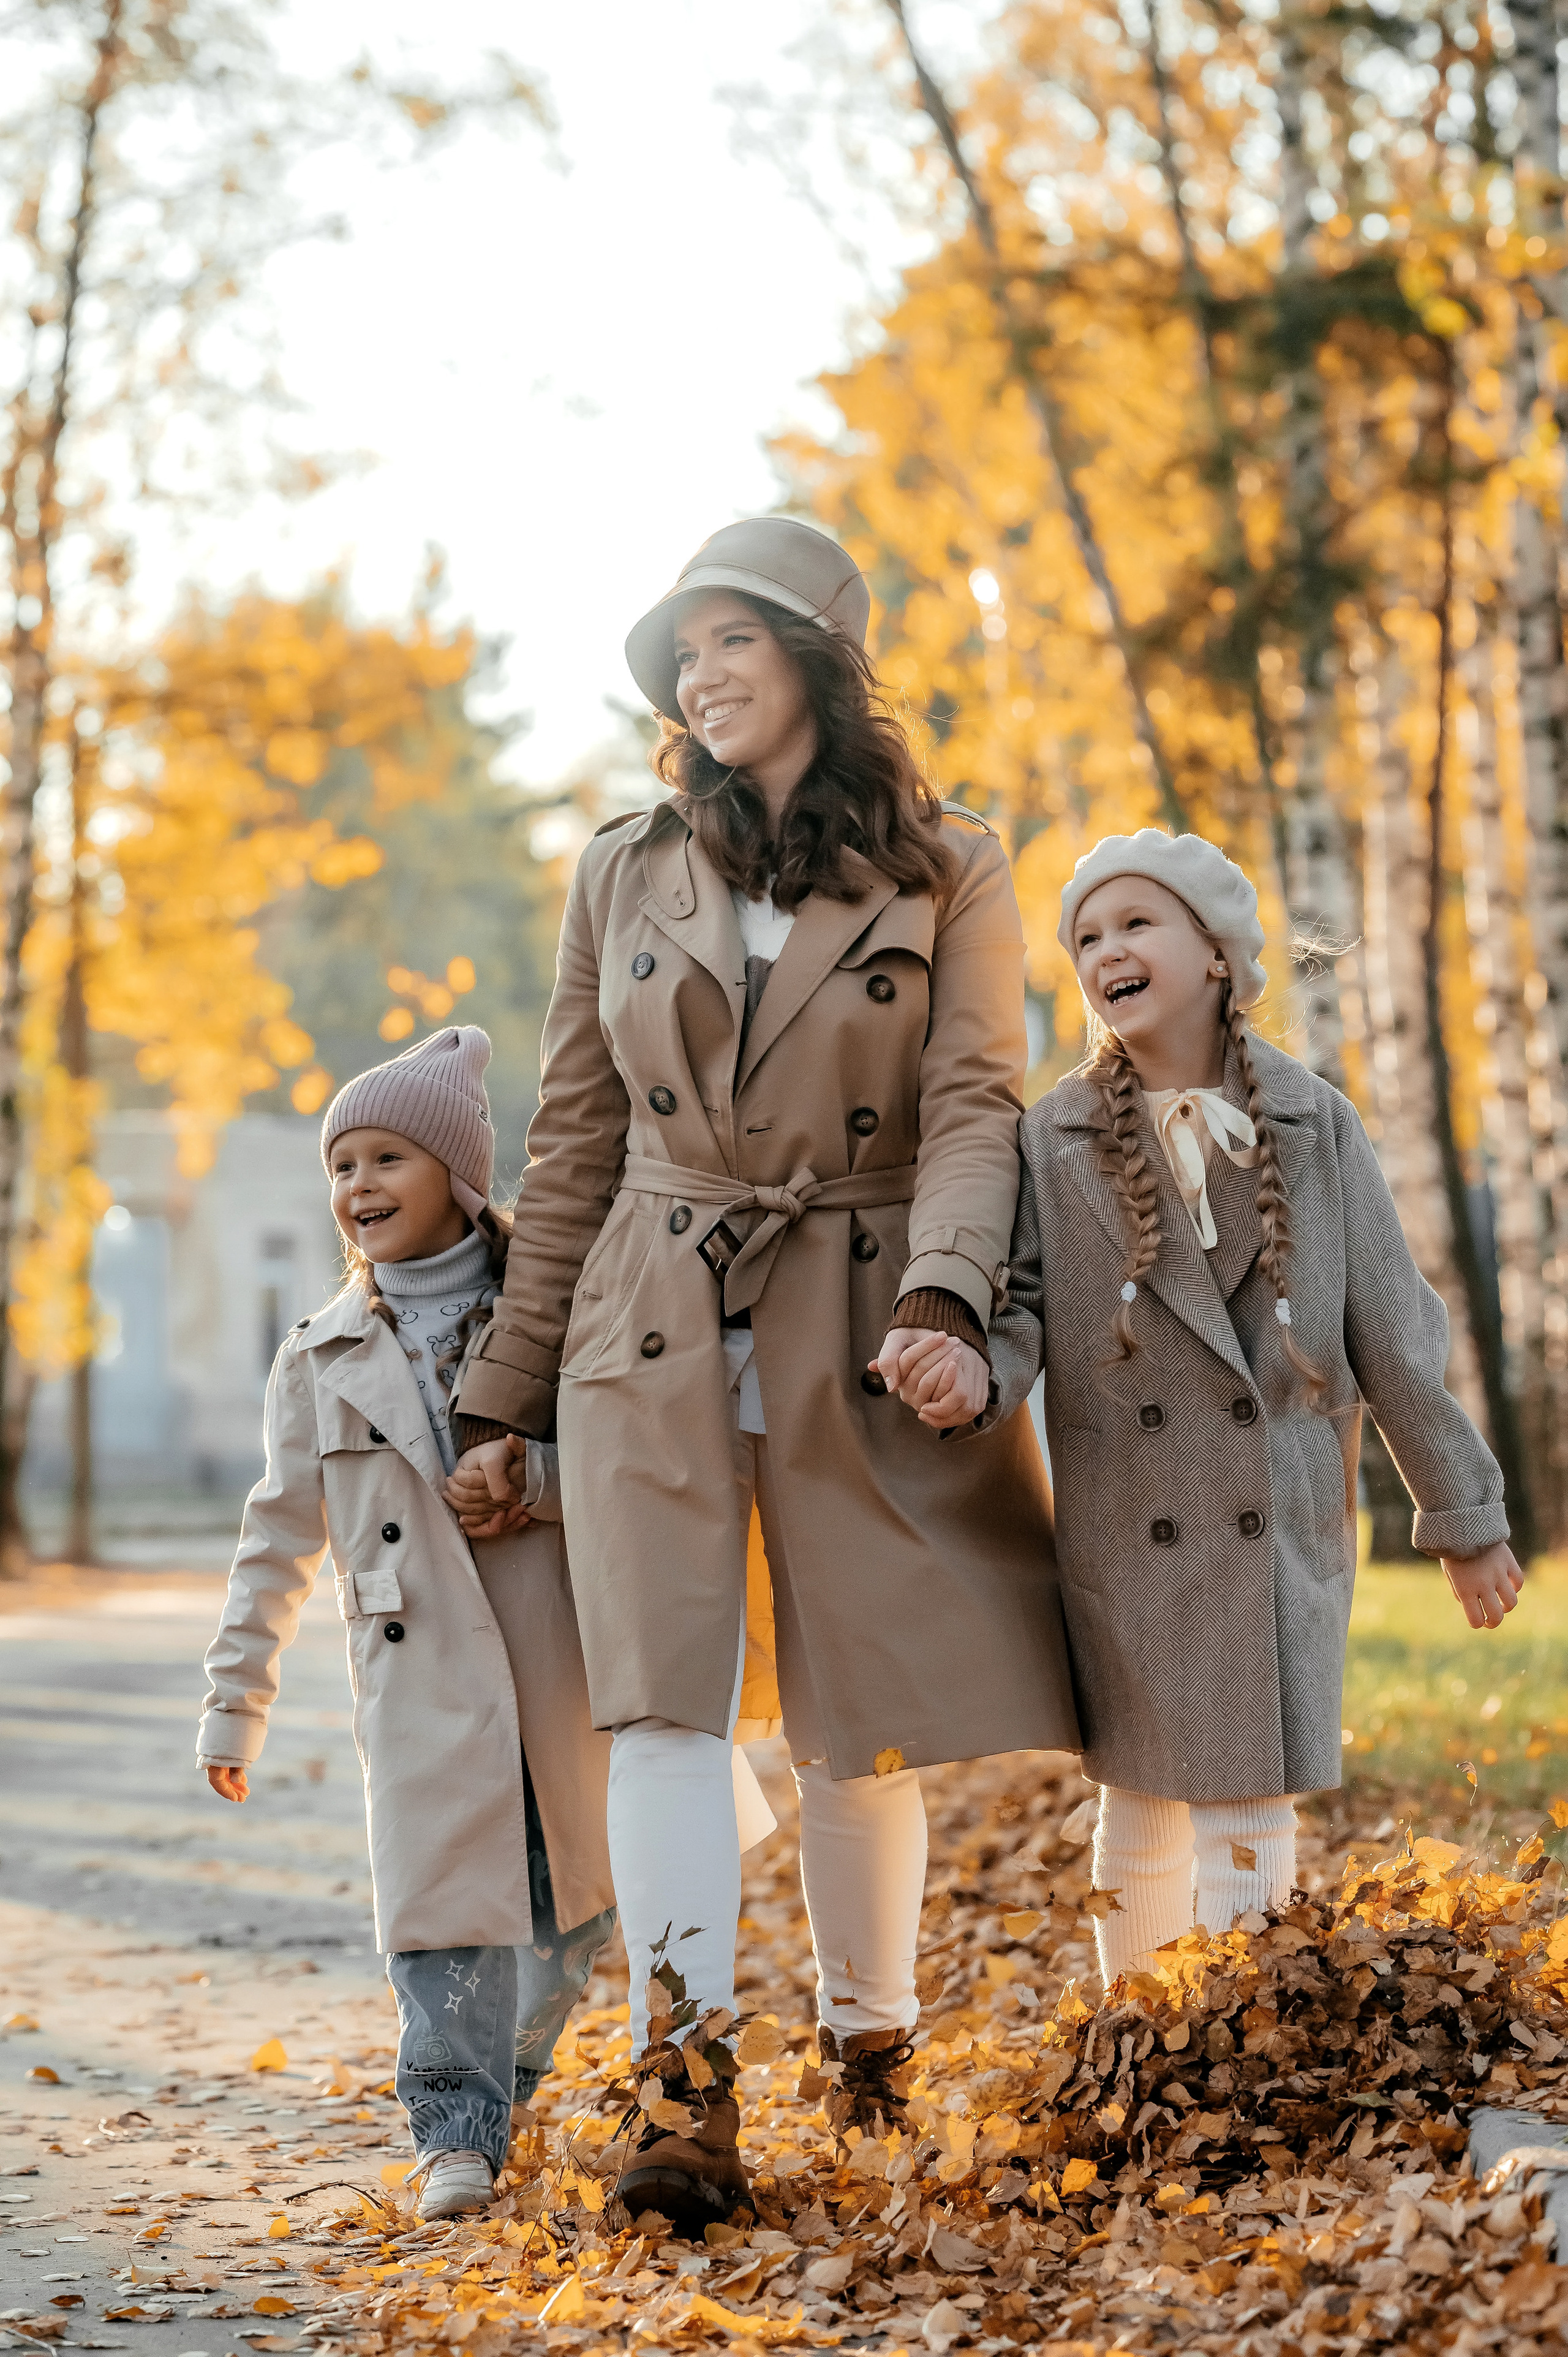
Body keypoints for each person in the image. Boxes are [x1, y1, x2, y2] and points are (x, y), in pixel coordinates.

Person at [443, 517, 1079, 2236]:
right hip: (642, 1315)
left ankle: (872, 2040)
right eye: (684, 652)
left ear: (819, 658)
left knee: (855, 1714)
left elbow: (972, 1103)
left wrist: (949, 1297)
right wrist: (502, 1397)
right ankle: (684, 2077)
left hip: (862, 1307)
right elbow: (576, 1135)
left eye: (737, 640)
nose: (704, 675)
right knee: (657, 1698)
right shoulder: (622, 868)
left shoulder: (953, 865)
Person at [967, 828, 1524, 1987]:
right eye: (1084, 937)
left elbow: (1395, 1336)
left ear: (1218, 954)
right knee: (1139, 1802)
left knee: (1248, 1802)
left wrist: (1463, 1518)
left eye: (1134, 924)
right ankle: (1135, 2035)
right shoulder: (1051, 1136)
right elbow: (1019, 1309)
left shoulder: (1317, 1125)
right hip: (1129, 1527)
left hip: (1276, 1519)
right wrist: (969, 1376)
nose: (1104, 950)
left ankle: (1242, 2043)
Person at [196, 1026, 616, 2220]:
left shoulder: (551, 1313)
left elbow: (630, 1458)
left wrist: (532, 1480)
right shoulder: (317, 1356)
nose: (358, 1187)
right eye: (343, 1166)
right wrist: (238, 1700)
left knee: (564, 1915)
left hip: (554, 1658)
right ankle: (451, 2131)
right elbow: (275, 1535)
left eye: (388, 1158)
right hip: (419, 1675)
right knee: (440, 1916)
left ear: (459, 1176)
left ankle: (506, 2088)